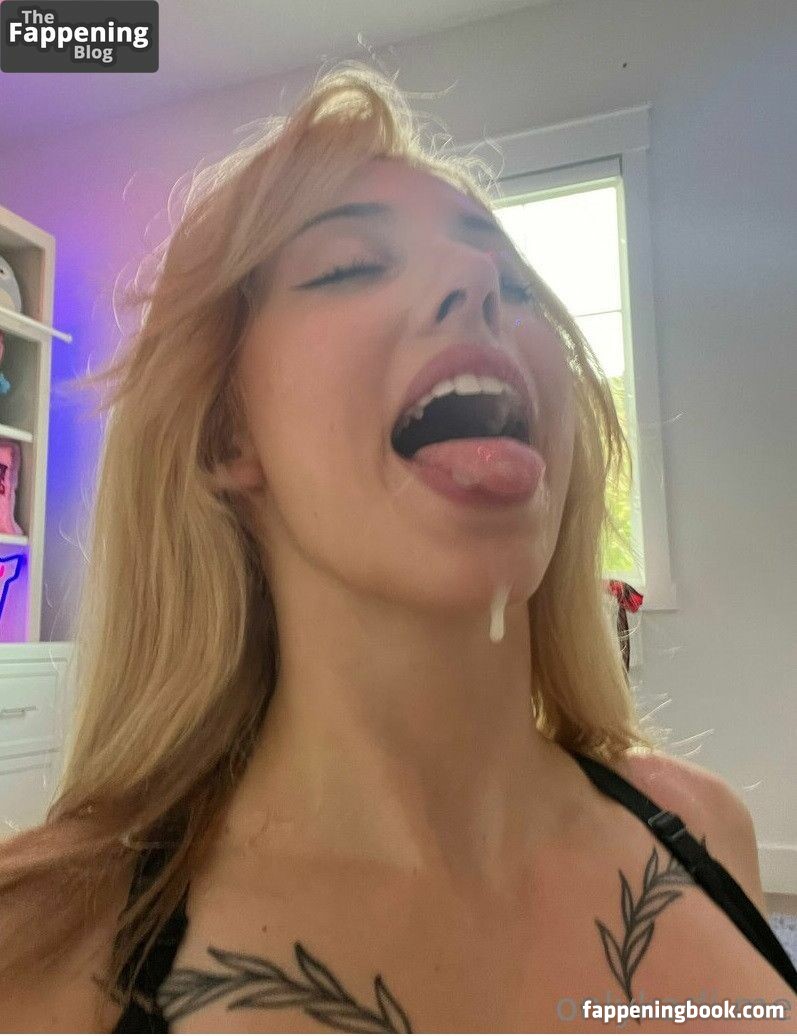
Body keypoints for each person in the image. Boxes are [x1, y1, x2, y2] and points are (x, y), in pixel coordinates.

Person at [0, 62, 794, 1034]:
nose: (477, 282)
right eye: (349, 266)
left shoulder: (707, 830)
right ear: (226, 435)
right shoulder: (37, 950)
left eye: (511, 280)